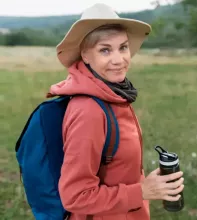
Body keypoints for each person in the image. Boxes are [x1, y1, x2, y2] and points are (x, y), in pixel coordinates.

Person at [47, 3, 184, 220]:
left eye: (123, 47)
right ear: (85, 55)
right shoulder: (89, 110)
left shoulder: (113, 94)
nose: (119, 60)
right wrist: (142, 191)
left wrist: (147, 184)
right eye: (105, 50)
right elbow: (75, 196)